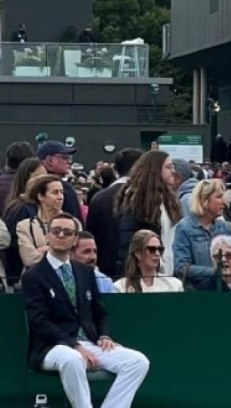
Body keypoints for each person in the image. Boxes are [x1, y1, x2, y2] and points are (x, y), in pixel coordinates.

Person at [22, 213, 150, 407]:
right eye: (56, 231)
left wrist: (105, 335)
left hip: (88, 342)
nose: (61, 235)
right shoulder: (33, 276)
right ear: (48, 236)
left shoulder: (85, 272)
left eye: (67, 232)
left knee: (138, 362)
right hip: (51, 347)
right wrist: (74, 345)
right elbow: (39, 321)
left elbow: (100, 312)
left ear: (75, 240)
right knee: (73, 360)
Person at [173, 178, 231, 291]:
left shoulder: (225, 227)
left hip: (224, 291)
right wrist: (215, 271)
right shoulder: (184, 228)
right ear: (204, 200)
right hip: (197, 293)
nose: (224, 202)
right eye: (219, 197)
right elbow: (181, 268)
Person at [86, 148, 142, 279]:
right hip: (139, 271)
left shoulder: (98, 198)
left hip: (105, 270)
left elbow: (93, 236)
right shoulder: (145, 197)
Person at [114, 229, 183, 293]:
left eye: (160, 249)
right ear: (138, 253)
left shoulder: (174, 286)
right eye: (152, 249)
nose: (157, 253)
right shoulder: (120, 288)